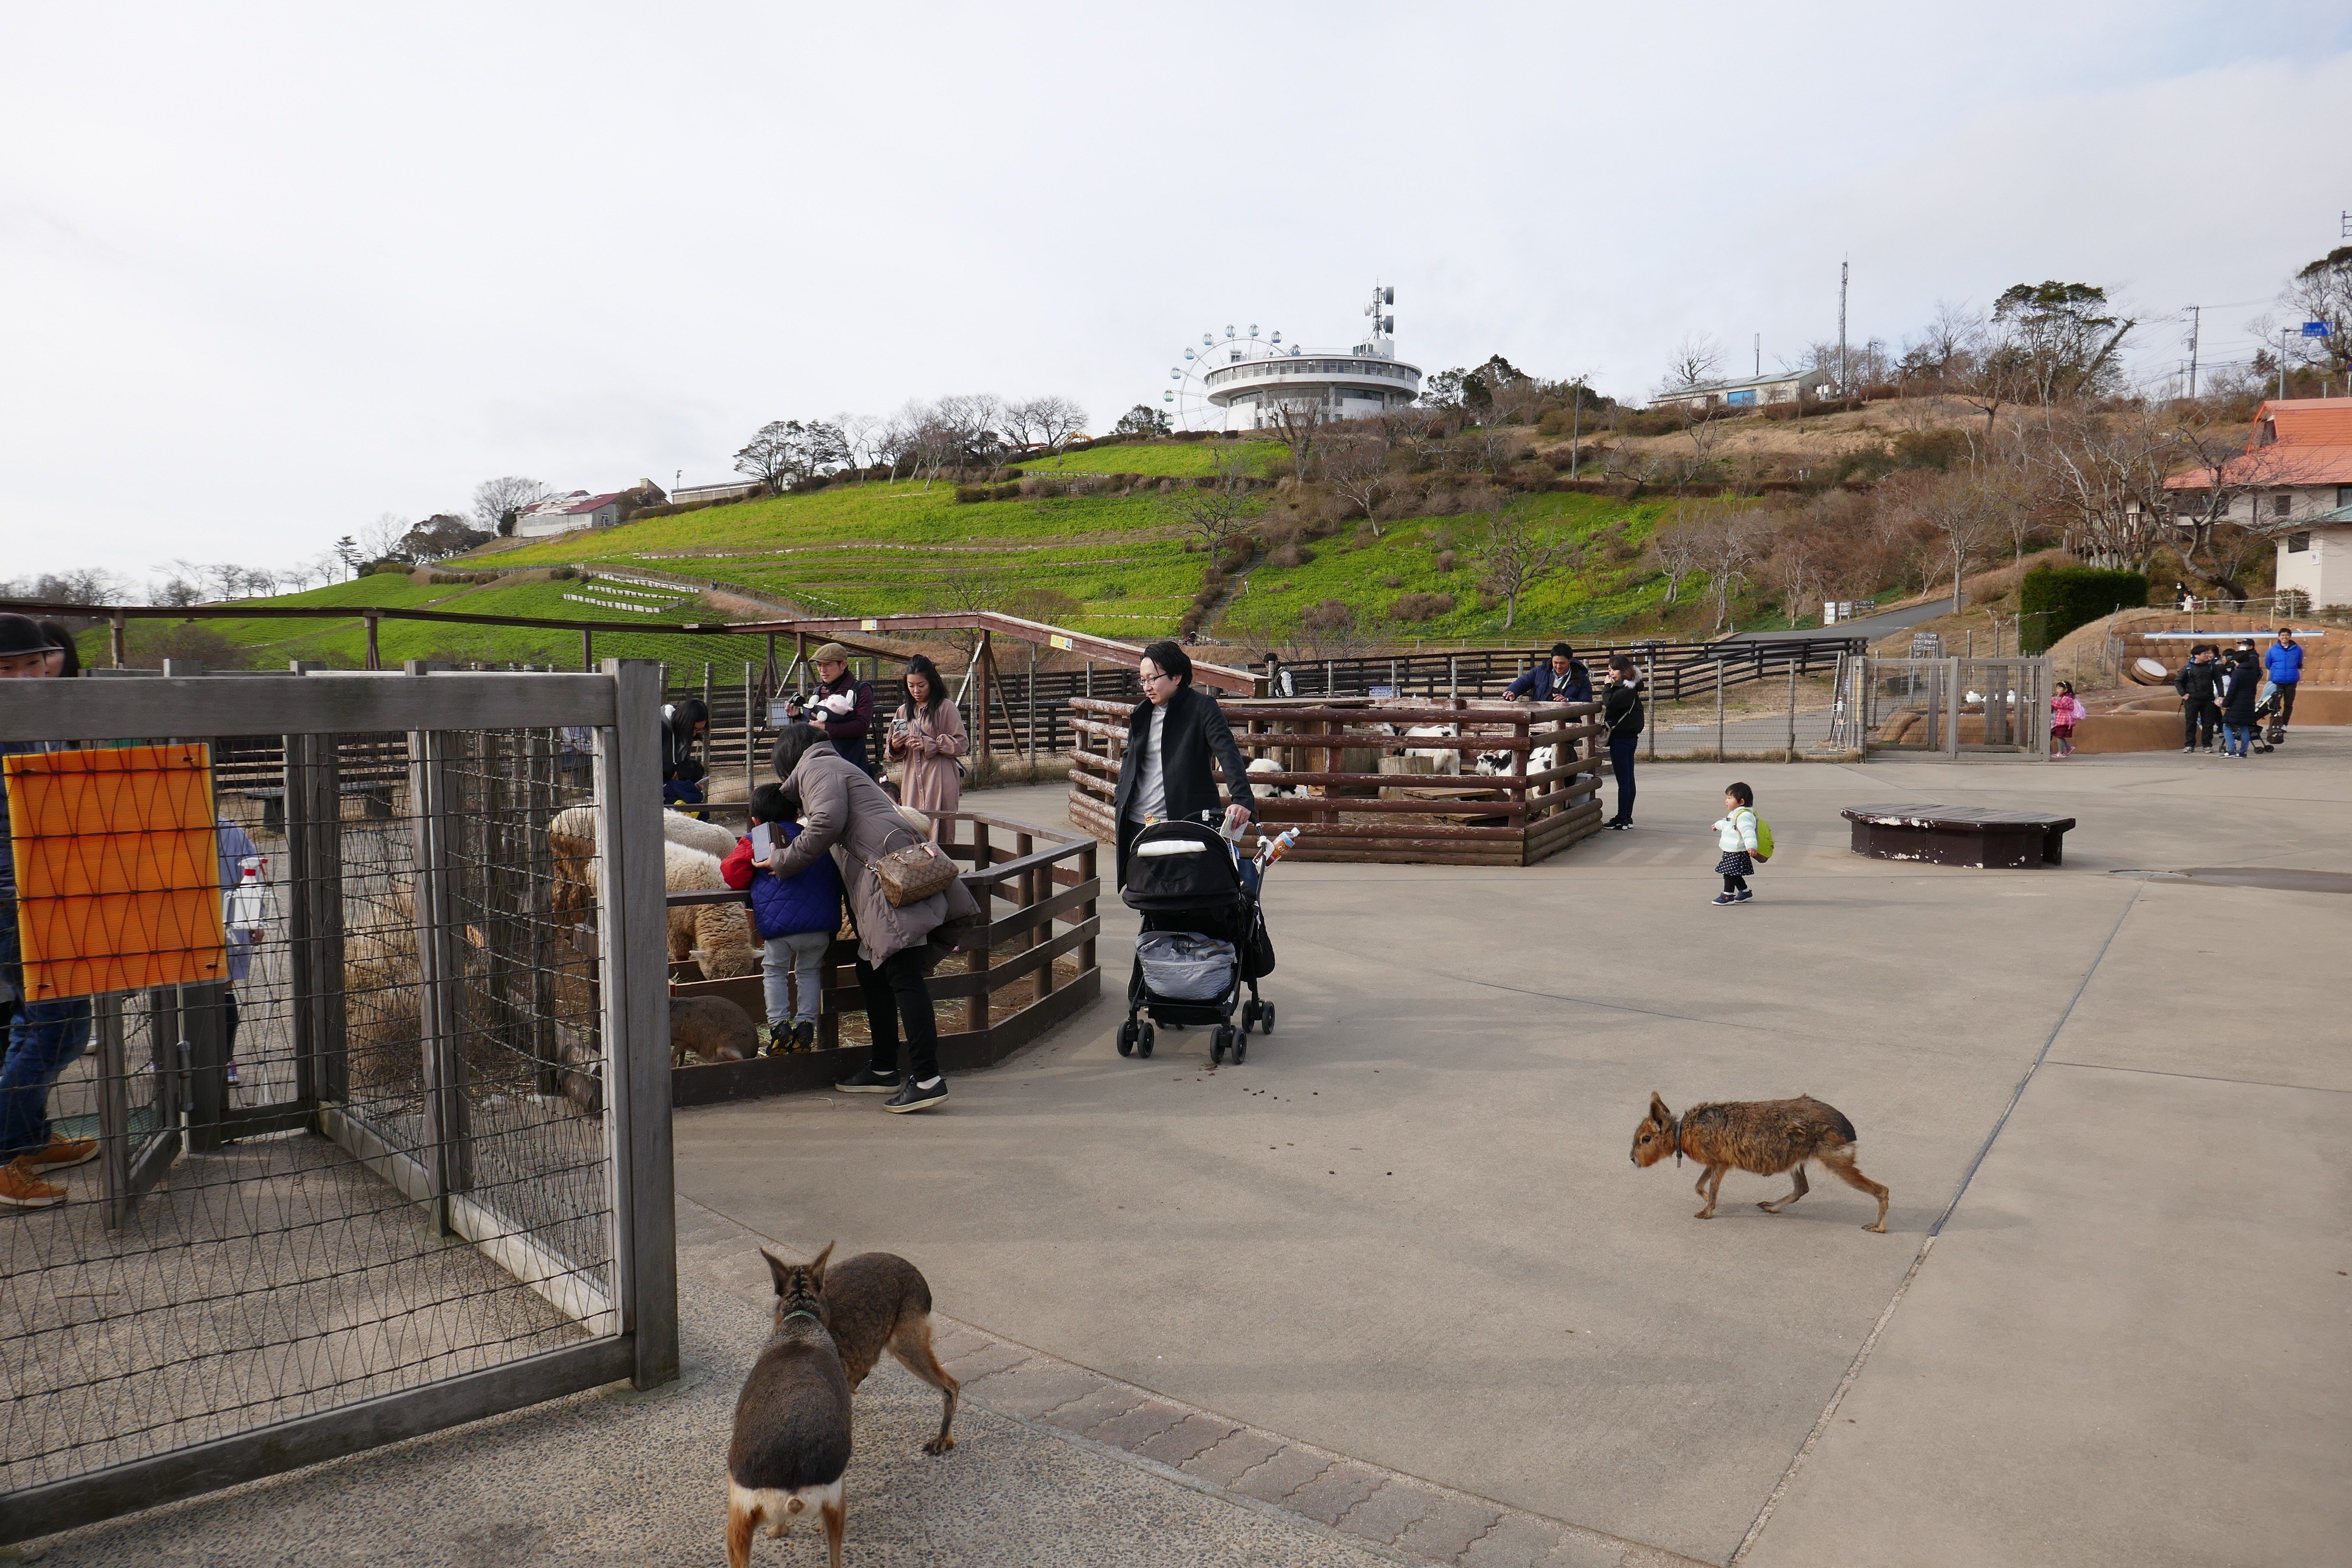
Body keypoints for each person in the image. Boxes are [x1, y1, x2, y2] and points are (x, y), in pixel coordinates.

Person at [769, 722, 980, 1113]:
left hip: (888, 876)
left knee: (902, 973)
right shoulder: (835, 765)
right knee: (871, 969)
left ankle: (928, 1077)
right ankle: (884, 1067)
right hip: (885, 872)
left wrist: (782, 860)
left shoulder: (817, 768)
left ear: (789, 758)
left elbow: (826, 823)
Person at [0, 612, 99, 1209]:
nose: (22, 678)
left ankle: (25, 1137)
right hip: (14, 899)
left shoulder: (43, 724)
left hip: (51, 891)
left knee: (47, 1023)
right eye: (6, 670)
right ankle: (5, 1152)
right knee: (56, 1025)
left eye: (31, 664)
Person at [1109, 640, 1255, 888]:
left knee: (1187, 895)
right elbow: (1129, 758)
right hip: (1138, 824)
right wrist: (1118, 796)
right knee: (1146, 899)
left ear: (1177, 677)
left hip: (1183, 822)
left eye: (1152, 679)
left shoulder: (1203, 708)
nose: (1147, 687)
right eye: (1143, 680)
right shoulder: (1142, 713)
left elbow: (1227, 752)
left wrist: (1242, 799)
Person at [721, 781, 844, 1054]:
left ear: (756, 820)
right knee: (809, 972)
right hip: (820, 926)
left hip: (781, 928)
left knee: (775, 972)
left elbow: (732, 874)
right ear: (795, 813)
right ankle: (805, 1028)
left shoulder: (756, 841)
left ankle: (779, 1029)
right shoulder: (813, 839)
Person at [887, 653, 968, 823]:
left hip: (939, 779)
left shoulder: (946, 708)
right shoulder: (903, 711)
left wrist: (932, 744)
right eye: (911, 686)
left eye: (921, 685)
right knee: (914, 829)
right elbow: (890, 754)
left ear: (932, 682)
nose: (916, 691)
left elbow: (962, 744)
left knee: (941, 832)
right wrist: (895, 745)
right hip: (912, 782)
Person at [797, 643, 878, 780]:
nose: (822, 670)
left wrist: (827, 728)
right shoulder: (819, 692)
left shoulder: (861, 690)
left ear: (843, 665)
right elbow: (811, 726)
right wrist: (797, 717)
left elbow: (861, 727)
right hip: (822, 766)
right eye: (819, 665)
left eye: (828, 665)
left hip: (852, 765)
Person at [1600, 656, 1644, 830]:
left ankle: (1622, 818)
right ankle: (1627, 817)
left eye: (1613, 670)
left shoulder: (1626, 689)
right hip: (1629, 738)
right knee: (1628, 779)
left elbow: (1609, 703)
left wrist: (1607, 686)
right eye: (1609, 669)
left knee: (1624, 780)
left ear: (1623, 671)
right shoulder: (1630, 686)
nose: (1610, 673)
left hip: (1622, 738)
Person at [1711, 782, 1762, 906]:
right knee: (1733, 873)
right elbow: (1727, 824)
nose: (1726, 801)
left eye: (1730, 798)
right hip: (1731, 850)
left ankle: (1727, 896)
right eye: (1727, 797)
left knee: (1729, 874)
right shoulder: (1735, 814)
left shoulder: (1744, 816)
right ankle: (1745, 892)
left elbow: (1748, 832)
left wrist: (1752, 846)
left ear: (1741, 802)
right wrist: (1717, 825)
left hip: (1737, 852)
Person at [660, 698, 710, 814]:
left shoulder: (684, 734)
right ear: (685, 723)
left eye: (700, 730)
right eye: (694, 729)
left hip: (671, 792)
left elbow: (681, 767)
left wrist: (690, 784)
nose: (694, 734)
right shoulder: (660, 729)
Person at [1506, 642, 1592, 706]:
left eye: (1562, 663)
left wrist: (1568, 701)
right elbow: (1524, 681)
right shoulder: (1541, 671)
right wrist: (1513, 691)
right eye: (1555, 662)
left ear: (1570, 660)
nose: (1558, 666)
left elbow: (1587, 703)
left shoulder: (1582, 680)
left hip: (1568, 724)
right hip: (1539, 720)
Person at [2172, 644, 2222, 753]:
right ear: (2196, 655)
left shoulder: (2212, 667)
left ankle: (2207, 745)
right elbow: (2178, 681)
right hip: (2192, 700)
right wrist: (2184, 694)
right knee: (2191, 723)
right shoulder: (2188, 668)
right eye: (2204, 654)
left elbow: (2219, 681)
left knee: (2208, 723)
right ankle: (2190, 745)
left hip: (2208, 700)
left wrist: (2221, 696)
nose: (2207, 656)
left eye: (2208, 653)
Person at [2218, 647, 2262, 759]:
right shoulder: (2253, 673)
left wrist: (2226, 704)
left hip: (2237, 704)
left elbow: (2232, 690)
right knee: (2244, 727)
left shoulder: (2238, 673)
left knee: (2227, 726)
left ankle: (2231, 750)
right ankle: (2243, 752)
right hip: (2249, 703)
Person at [2264, 627, 2303, 735]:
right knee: (2275, 704)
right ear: (2279, 637)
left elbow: (2299, 663)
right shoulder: (2272, 650)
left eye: (2287, 635)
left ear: (2290, 637)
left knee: (2289, 704)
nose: (2285, 637)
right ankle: (2274, 725)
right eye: (2282, 635)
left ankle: (2284, 725)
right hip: (2277, 681)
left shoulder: (2298, 649)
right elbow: (2268, 664)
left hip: (2292, 681)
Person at [2049, 681, 2086, 758]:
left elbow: (2061, 705)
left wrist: (2052, 700)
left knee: (2059, 736)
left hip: (2065, 721)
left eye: (2059, 688)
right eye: (2057, 688)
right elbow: (2058, 707)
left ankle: (2062, 753)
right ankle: (2069, 748)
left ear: (2065, 690)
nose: (2057, 690)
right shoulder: (2063, 698)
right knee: (2058, 735)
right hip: (2061, 721)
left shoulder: (2068, 699)